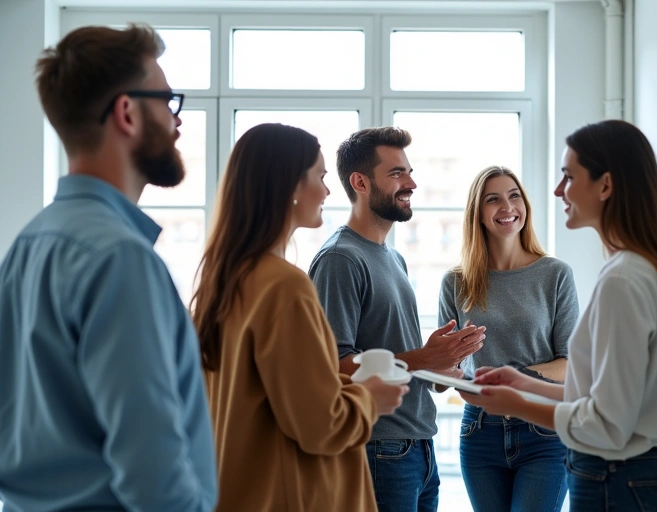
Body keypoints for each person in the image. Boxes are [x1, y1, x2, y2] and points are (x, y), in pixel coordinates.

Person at [0, 24, 217, 512]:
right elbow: (153, 475)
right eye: (167, 101)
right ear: (127, 112)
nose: (176, 121)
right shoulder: (120, 259)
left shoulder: (27, 246)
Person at [460, 120, 657, 512]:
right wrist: (524, 382)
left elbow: (605, 422)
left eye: (568, 177)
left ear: (605, 186)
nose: (557, 191)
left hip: (620, 482)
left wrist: (515, 403)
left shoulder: (623, 279)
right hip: (634, 479)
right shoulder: (643, 268)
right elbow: (604, 398)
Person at [191, 123, 408, 512]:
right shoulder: (283, 286)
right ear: (290, 186)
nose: (327, 190)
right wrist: (369, 397)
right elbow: (319, 425)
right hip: (288, 495)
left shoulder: (221, 281)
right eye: (320, 177)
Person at [308, 126, 486, 512]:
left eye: (408, 171)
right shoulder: (340, 259)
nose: (412, 183)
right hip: (378, 447)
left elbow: (391, 358)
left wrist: (439, 365)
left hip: (419, 446)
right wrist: (424, 358)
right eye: (396, 174)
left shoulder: (393, 257)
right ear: (360, 182)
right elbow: (332, 366)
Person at [438, 165, 579, 512]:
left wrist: (514, 381)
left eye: (514, 196)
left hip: (543, 431)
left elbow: (570, 363)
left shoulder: (554, 274)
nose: (507, 207)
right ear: (478, 213)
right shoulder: (455, 282)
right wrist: (442, 370)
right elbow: (444, 375)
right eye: (493, 199)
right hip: (479, 431)